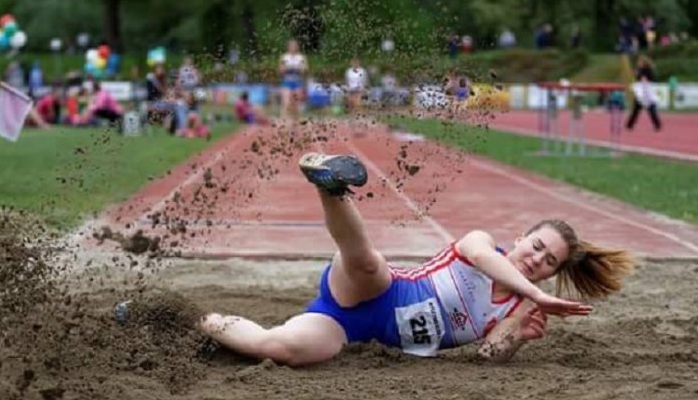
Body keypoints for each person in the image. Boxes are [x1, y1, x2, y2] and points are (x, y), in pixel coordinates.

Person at [196, 153, 634, 366]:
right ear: (519, 238)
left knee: (281, 348)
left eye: (549, 262)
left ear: (556, 272)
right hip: (381, 288)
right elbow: (480, 255)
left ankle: (190, 319)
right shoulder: (482, 244)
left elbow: (487, 357)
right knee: (368, 263)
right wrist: (538, 294)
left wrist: (519, 337)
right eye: (536, 246)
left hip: (351, 330)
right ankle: (330, 187)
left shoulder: (520, 308)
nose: (537, 259)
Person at [626, 55, 662, 131]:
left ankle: (629, 125)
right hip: (645, 91)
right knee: (644, 109)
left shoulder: (645, 70)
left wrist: (641, 78)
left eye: (640, 62)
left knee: (639, 109)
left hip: (644, 91)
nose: (638, 63)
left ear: (643, 63)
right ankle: (657, 125)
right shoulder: (646, 70)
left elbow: (644, 79)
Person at [279, 39, 307, 120]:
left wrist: (297, 68)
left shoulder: (301, 57)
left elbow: (305, 69)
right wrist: (289, 68)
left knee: (296, 104)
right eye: (291, 46)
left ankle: (296, 121)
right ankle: (283, 121)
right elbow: (281, 70)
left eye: (294, 46)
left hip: (297, 82)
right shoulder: (284, 57)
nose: (293, 48)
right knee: (286, 102)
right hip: (287, 82)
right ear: (288, 47)